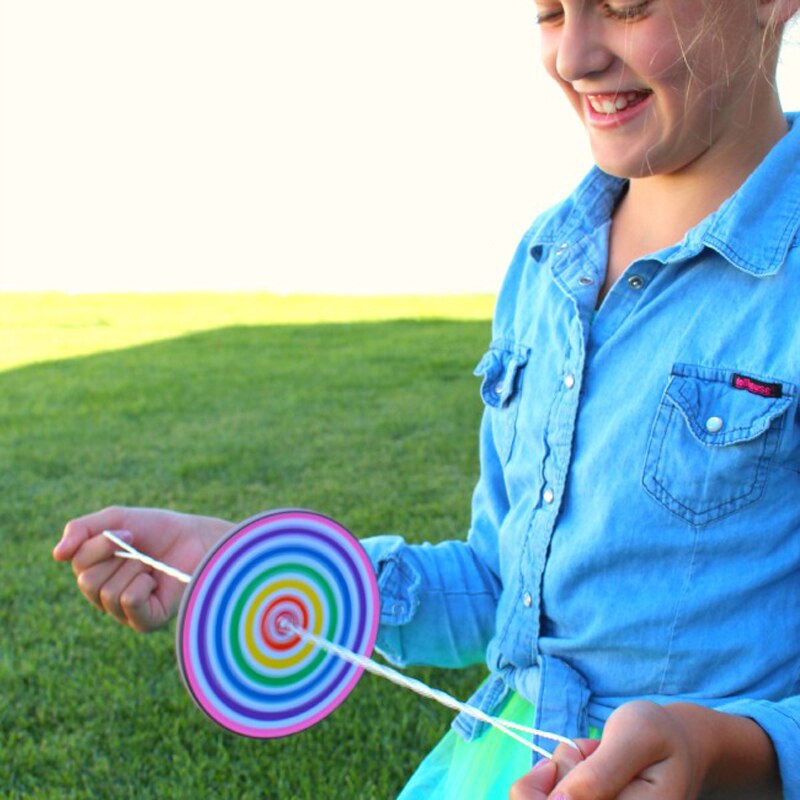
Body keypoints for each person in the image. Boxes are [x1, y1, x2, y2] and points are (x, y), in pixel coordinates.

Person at [54, 0, 800, 797]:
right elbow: (500, 584)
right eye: (549, 13)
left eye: (623, 6)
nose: (573, 56)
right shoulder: (548, 260)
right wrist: (250, 568)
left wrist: (720, 747)